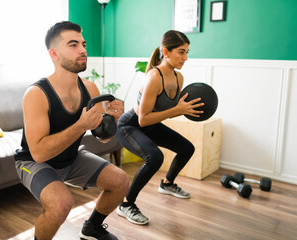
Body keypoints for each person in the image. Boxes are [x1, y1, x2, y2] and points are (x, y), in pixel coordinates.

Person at [14, 21, 129, 240]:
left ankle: (92, 228)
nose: (83, 50)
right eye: (73, 45)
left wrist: (111, 120)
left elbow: (103, 138)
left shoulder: (90, 88)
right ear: (54, 54)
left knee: (120, 180)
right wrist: (80, 125)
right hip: (34, 163)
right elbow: (38, 153)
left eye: (83, 44)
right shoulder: (36, 94)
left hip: (71, 158)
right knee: (62, 204)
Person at [115, 30, 204, 225]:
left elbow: (170, 109)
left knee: (187, 148)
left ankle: (168, 184)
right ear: (166, 51)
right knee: (155, 157)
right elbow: (143, 120)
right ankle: (126, 204)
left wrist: (188, 109)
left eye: (187, 52)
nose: (186, 57)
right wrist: (177, 110)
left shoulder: (179, 78)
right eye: (181, 52)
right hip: (129, 127)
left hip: (150, 125)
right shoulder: (154, 77)